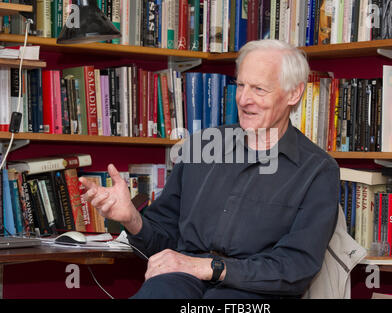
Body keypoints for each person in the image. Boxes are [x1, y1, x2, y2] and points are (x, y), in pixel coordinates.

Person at [79, 39, 340, 299]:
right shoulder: (201, 146)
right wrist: (130, 219)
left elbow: (294, 269)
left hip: (256, 292)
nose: (244, 99)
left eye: (259, 89)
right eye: (240, 85)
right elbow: (165, 245)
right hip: (182, 282)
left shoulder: (317, 171)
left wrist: (210, 268)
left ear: (294, 93)